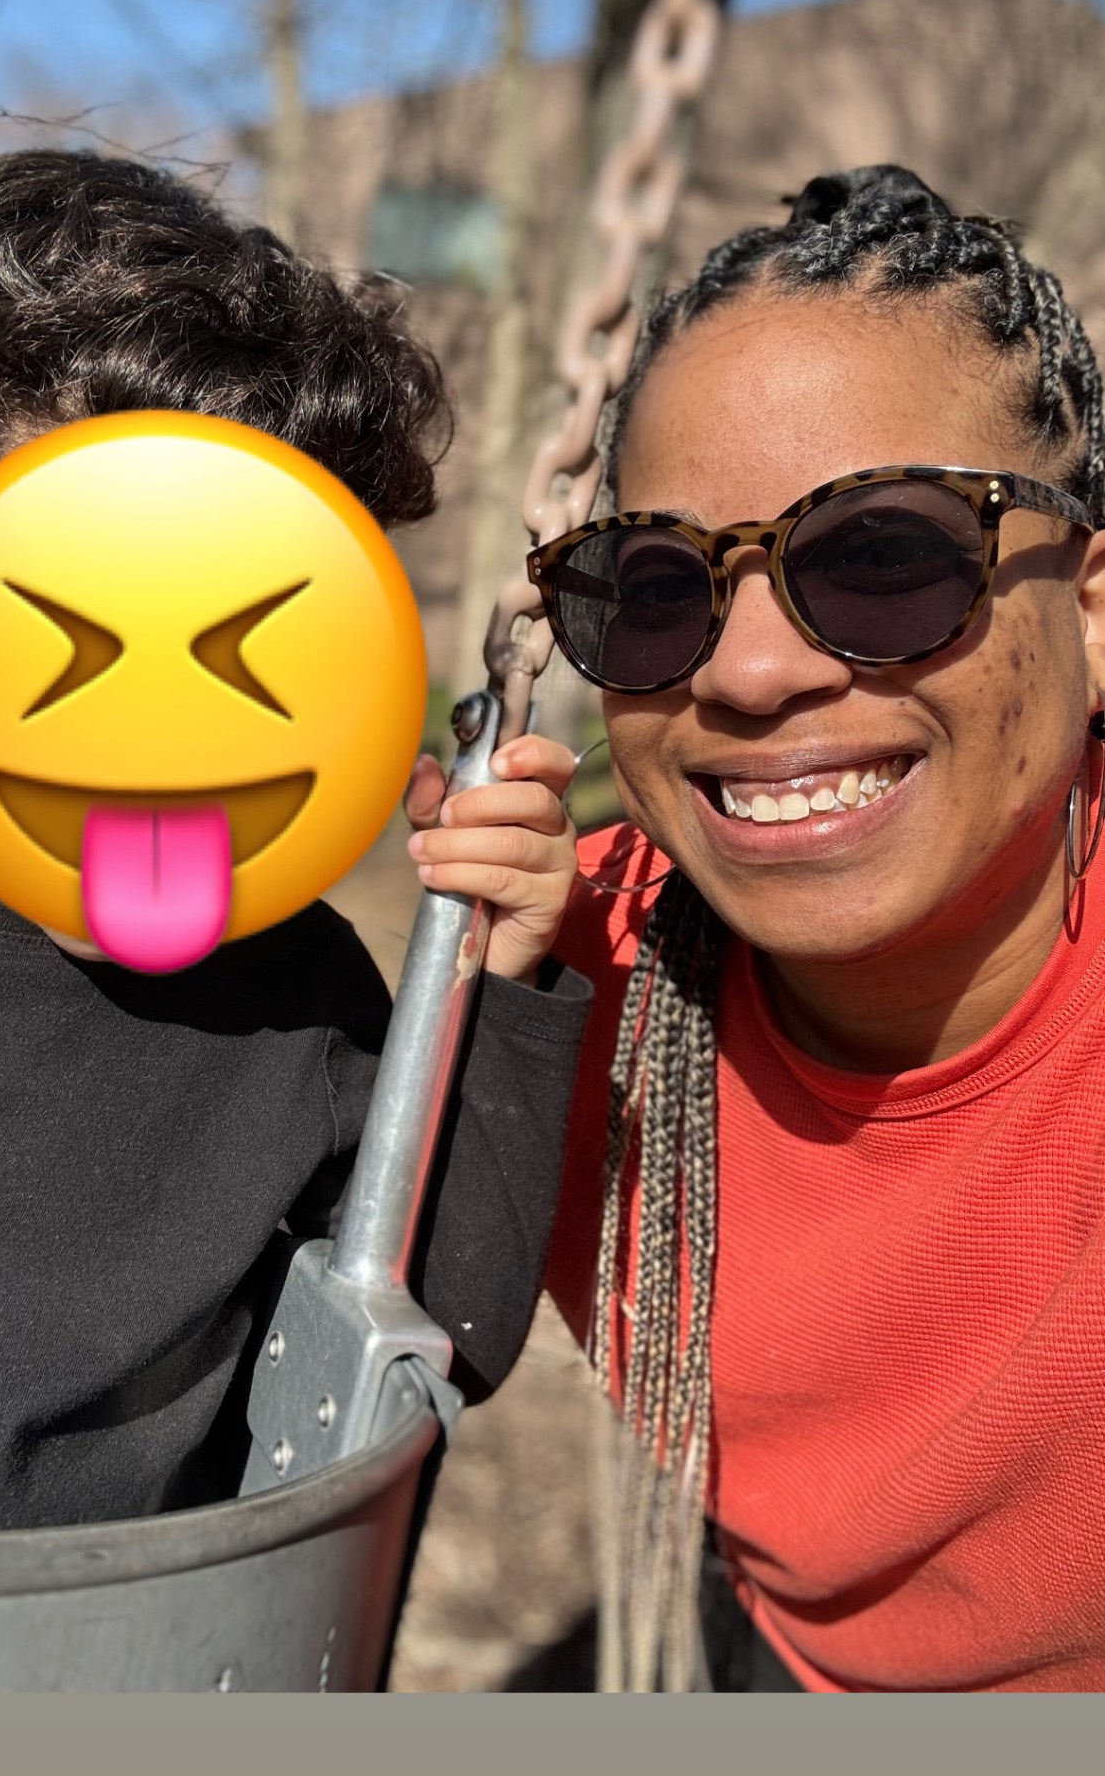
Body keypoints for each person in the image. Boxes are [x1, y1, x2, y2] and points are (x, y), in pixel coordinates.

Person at [0, 148, 585, 1536]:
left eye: (263, 642)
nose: (160, 727)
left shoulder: (296, 992)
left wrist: (488, 986)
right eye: (64, 626)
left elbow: (423, 1333)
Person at [528, 165, 1105, 1693]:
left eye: (884, 554)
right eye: (655, 588)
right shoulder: (552, 974)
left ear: (1093, 608)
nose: (752, 672)